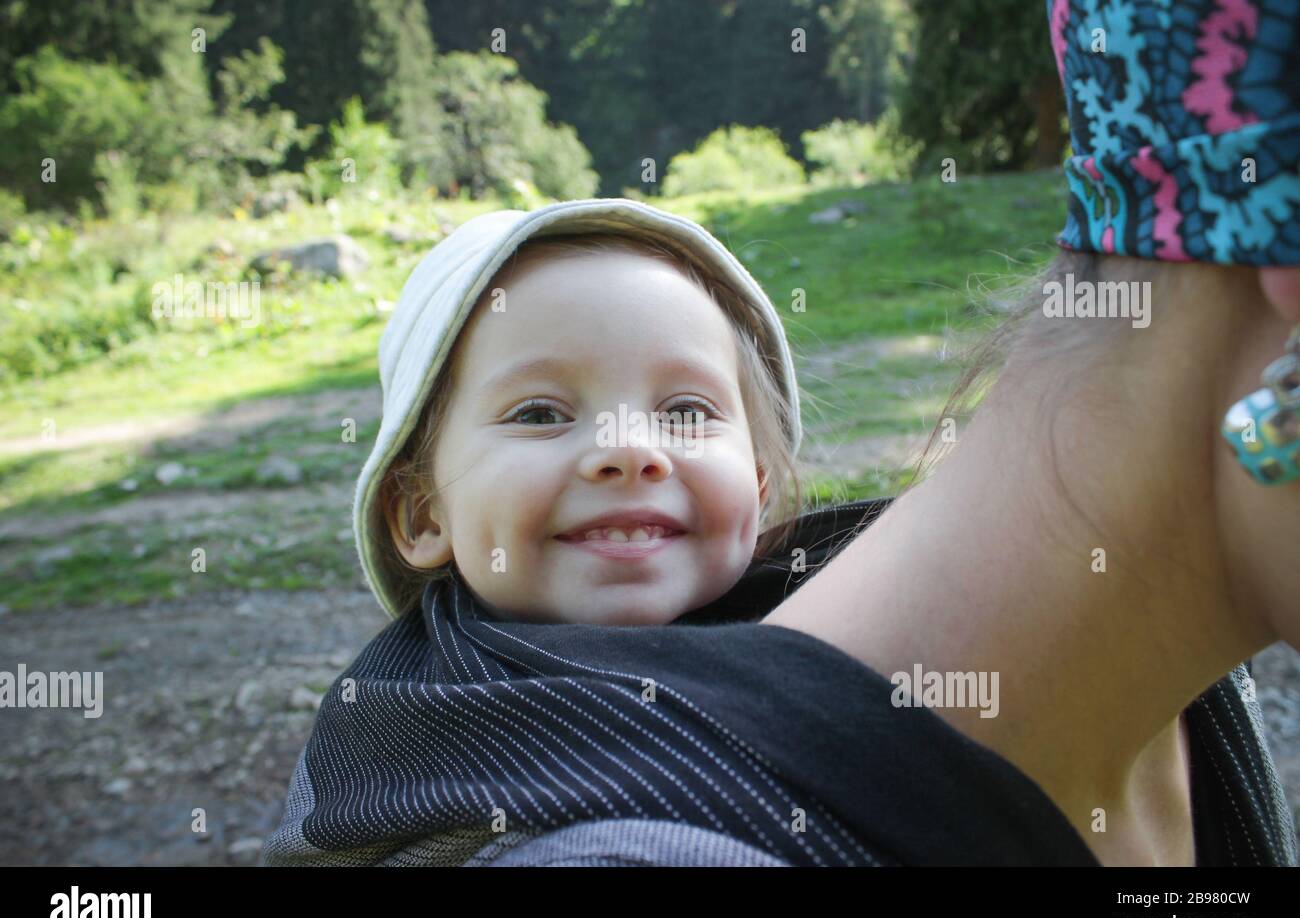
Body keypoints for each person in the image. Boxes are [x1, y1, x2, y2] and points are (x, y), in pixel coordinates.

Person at [262, 0, 1297, 864]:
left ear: (763, 485)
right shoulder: (559, 800)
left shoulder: (1193, 695)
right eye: (539, 413)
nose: (630, 448)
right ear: (418, 511)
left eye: (687, 410)